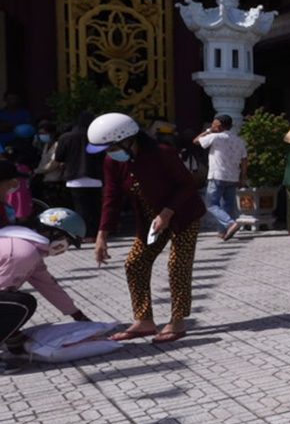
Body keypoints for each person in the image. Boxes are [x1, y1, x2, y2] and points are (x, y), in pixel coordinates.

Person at [90, 112, 207, 344]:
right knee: (135, 263)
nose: (108, 152)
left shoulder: (162, 153)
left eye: (111, 147)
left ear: (127, 139)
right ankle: (144, 320)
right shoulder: (112, 161)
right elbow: (111, 198)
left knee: (177, 264)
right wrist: (102, 235)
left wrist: (167, 212)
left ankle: (178, 320)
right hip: (150, 222)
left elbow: (187, 186)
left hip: (183, 215)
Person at [0, 208, 92, 346]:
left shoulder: (26, 247)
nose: (65, 249)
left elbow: (49, 286)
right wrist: (13, 335)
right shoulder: (23, 253)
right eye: (68, 241)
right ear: (54, 233)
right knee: (21, 304)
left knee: (16, 302)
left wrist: (77, 315)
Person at [194, 114, 247, 241]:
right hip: (233, 176)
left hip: (217, 175)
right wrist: (243, 177)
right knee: (228, 205)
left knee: (211, 204)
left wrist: (208, 131)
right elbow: (245, 160)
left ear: (219, 126)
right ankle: (222, 232)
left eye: (214, 124)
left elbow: (195, 141)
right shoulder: (238, 140)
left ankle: (230, 223)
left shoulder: (214, 137)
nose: (212, 126)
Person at [53, 113, 104, 240]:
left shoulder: (66, 137)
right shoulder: (96, 137)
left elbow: (59, 157)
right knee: (96, 207)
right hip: (95, 176)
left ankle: (85, 234)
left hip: (74, 178)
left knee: (81, 208)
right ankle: (98, 233)